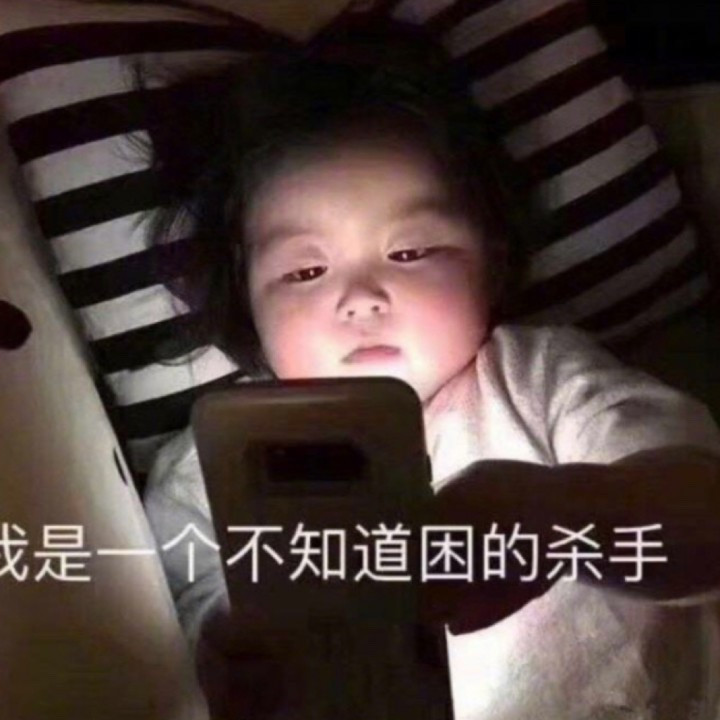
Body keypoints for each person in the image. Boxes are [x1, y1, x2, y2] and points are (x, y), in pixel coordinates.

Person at [141, 34, 720, 720]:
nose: (361, 298)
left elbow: (701, 511)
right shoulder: (213, 467)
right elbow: (195, 631)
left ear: (489, 259)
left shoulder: (539, 379)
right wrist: (236, 651)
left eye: (410, 251)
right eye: (306, 270)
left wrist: (570, 513)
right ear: (246, 297)